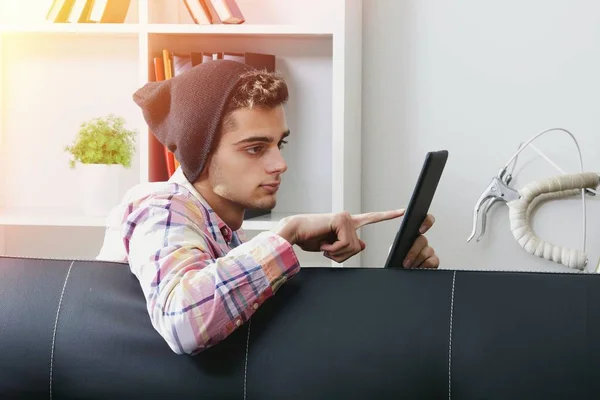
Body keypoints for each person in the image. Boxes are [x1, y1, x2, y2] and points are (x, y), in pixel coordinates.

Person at [97, 60, 439, 355]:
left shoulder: (221, 232)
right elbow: (184, 322)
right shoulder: (161, 207)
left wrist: (400, 284)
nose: (280, 164)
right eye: (255, 148)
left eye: (279, 143)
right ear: (198, 153)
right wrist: (285, 234)